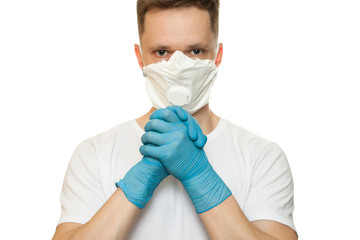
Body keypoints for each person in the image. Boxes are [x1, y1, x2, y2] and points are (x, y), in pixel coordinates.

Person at [52, 0, 297, 239]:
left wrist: (199, 175)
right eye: (161, 52)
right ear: (140, 58)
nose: (179, 66)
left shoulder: (262, 157)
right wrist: (139, 180)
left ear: (217, 56)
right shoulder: (94, 153)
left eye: (196, 51)